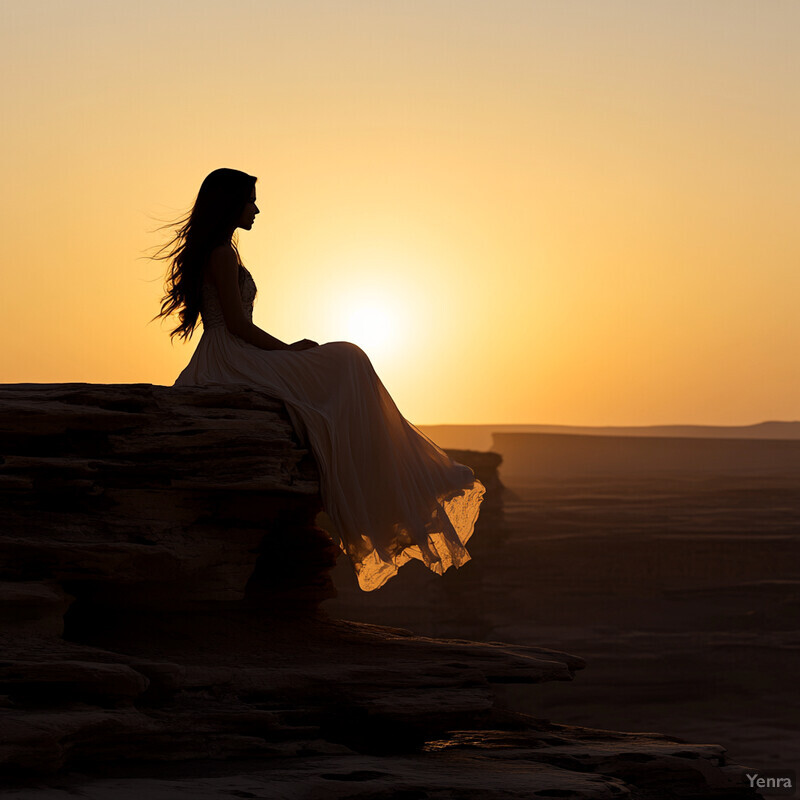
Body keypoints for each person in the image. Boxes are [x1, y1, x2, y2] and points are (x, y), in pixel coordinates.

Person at [153, 167, 485, 591]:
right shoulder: (220, 253)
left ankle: (390, 478)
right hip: (231, 357)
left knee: (346, 359)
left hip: (235, 354)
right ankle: (394, 481)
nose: (256, 208)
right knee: (348, 358)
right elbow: (236, 325)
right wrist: (290, 351)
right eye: (250, 200)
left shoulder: (221, 251)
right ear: (231, 203)